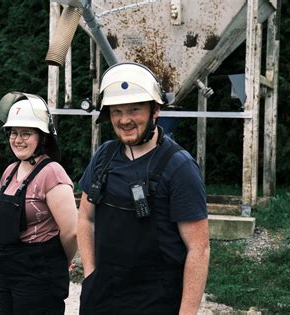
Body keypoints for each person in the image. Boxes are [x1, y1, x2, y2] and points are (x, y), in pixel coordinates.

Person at [77, 62, 210, 314]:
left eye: (134, 110)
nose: (124, 120)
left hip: (155, 301)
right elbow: (85, 218)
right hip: (102, 297)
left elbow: (199, 249)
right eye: (116, 111)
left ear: (155, 110)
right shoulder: (104, 156)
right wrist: (91, 274)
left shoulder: (179, 167)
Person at [0, 92, 78, 315]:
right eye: (13, 133)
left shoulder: (52, 173)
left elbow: (71, 232)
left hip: (40, 274)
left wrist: (60, 262)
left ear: (43, 137)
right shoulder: (10, 171)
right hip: (9, 272)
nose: (18, 140)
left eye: (26, 133)